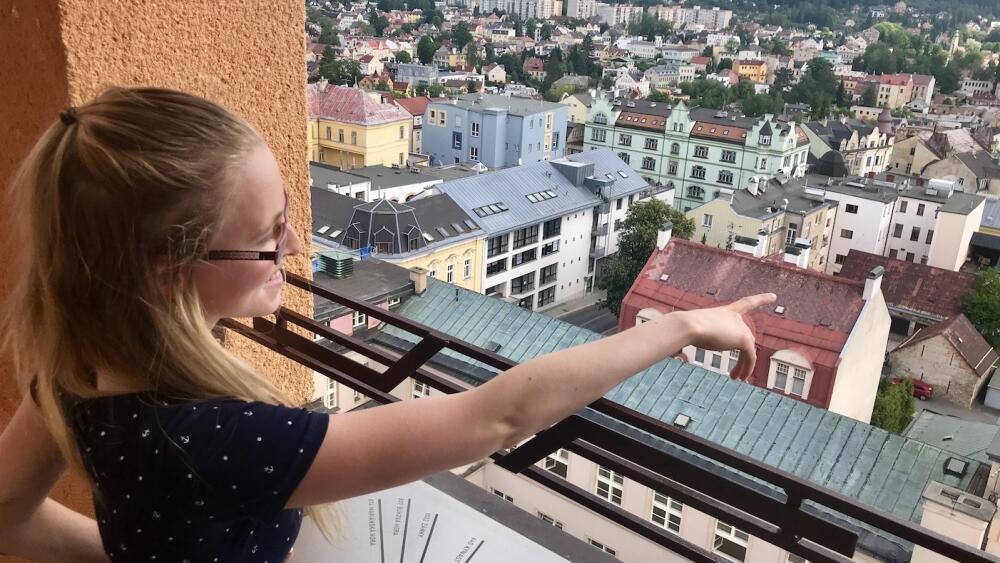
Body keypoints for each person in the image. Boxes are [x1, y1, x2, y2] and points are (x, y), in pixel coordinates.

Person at [0, 87, 774, 562]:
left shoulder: (73, 366)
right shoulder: (216, 438)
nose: (294, 246)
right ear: (170, 270)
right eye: (267, 235)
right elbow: (497, 416)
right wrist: (676, 329)